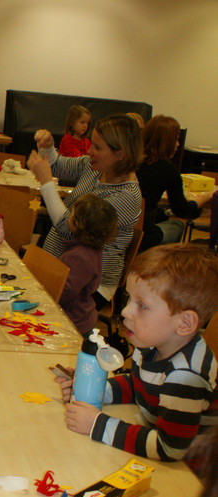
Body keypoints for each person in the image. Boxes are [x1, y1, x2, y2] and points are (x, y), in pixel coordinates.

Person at [56, 243, 218, 462]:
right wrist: (93, 392)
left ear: (185, 323)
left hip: (192, 471)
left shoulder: (185, 377)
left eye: (142, 305)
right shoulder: (151, 345)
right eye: (129, 298)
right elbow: (137, 386)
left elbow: (169, 448)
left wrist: (97, 424)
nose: (125, 311)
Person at [28, 114, 142, 306]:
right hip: (60, 269)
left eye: (97, 147)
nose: (89, 151)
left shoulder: (126, 196)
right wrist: (48, 147)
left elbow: (70, 229)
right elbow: (57, 166)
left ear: (120, 155)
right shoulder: (96, 167)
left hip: (87, 287)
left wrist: (46, 183)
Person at [137, 115, 212, 252]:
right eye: (176, 139)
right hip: (144, 237)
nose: (178, 144)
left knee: (164, 213)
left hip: (123, 232)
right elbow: (182, 211)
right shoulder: (168, 170)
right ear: (166, 142)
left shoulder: (130, 162)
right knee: (177, 225)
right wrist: (204, 198)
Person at [58, 193, 118, 336]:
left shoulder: (80, 257)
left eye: (72, 214)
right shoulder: (90, 250)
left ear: (78, 223)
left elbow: (64, 292)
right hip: (77, 318)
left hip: (73, 322)